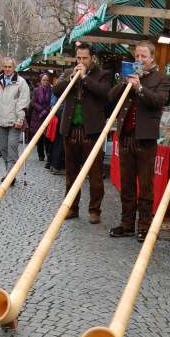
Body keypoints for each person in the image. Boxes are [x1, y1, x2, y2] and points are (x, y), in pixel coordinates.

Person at [108, 40, 170, 241]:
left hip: (146, 139)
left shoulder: (161, 78)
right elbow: (110, 98)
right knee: (126, 184)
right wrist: (124, 83)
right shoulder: (128, 75)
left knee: (145, 186)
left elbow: (160, 101)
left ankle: (144, 226)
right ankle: (127, 224)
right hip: (126, 136)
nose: (139, 59)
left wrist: (140, 88)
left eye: (143, 56)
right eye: (137, 56)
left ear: (152, 58)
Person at [53, 44, 111, 224]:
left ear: (92, 58)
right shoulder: (69, 72)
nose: (81, 61)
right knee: (71, 172)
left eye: (84, 58)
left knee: (95, 173)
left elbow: (105, 93)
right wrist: (71, 78)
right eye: (78, 58)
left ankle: (95, 210)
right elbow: (56, 91)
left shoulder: (103, 74)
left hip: (92, 131)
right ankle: (71, 207)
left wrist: (84, 78)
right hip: (71, 129)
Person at [0, 57, 30, 184]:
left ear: (14, 67)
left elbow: (23, 101)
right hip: (1, 120)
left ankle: (10, 175)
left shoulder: (21, 82)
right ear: (2, 67)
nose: (7, 69)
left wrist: (20, 118)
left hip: (15, 121)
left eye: (9, 67)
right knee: (4, 148)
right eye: (5, 66)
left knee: (12, 147)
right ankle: (9, 171)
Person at [29, 73, 52, 163]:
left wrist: (46, 110)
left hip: (47, 115)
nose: (45, 82)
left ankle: (49, 155)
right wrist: (41, 110)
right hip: (37, 116)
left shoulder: (51, 90)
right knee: (39, 136)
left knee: (47, 136)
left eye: (47, 80)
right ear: (40, 80)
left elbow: (51, 102)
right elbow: (33, 102)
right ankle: (41, 155)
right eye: (44, 80)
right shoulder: (36, 90)